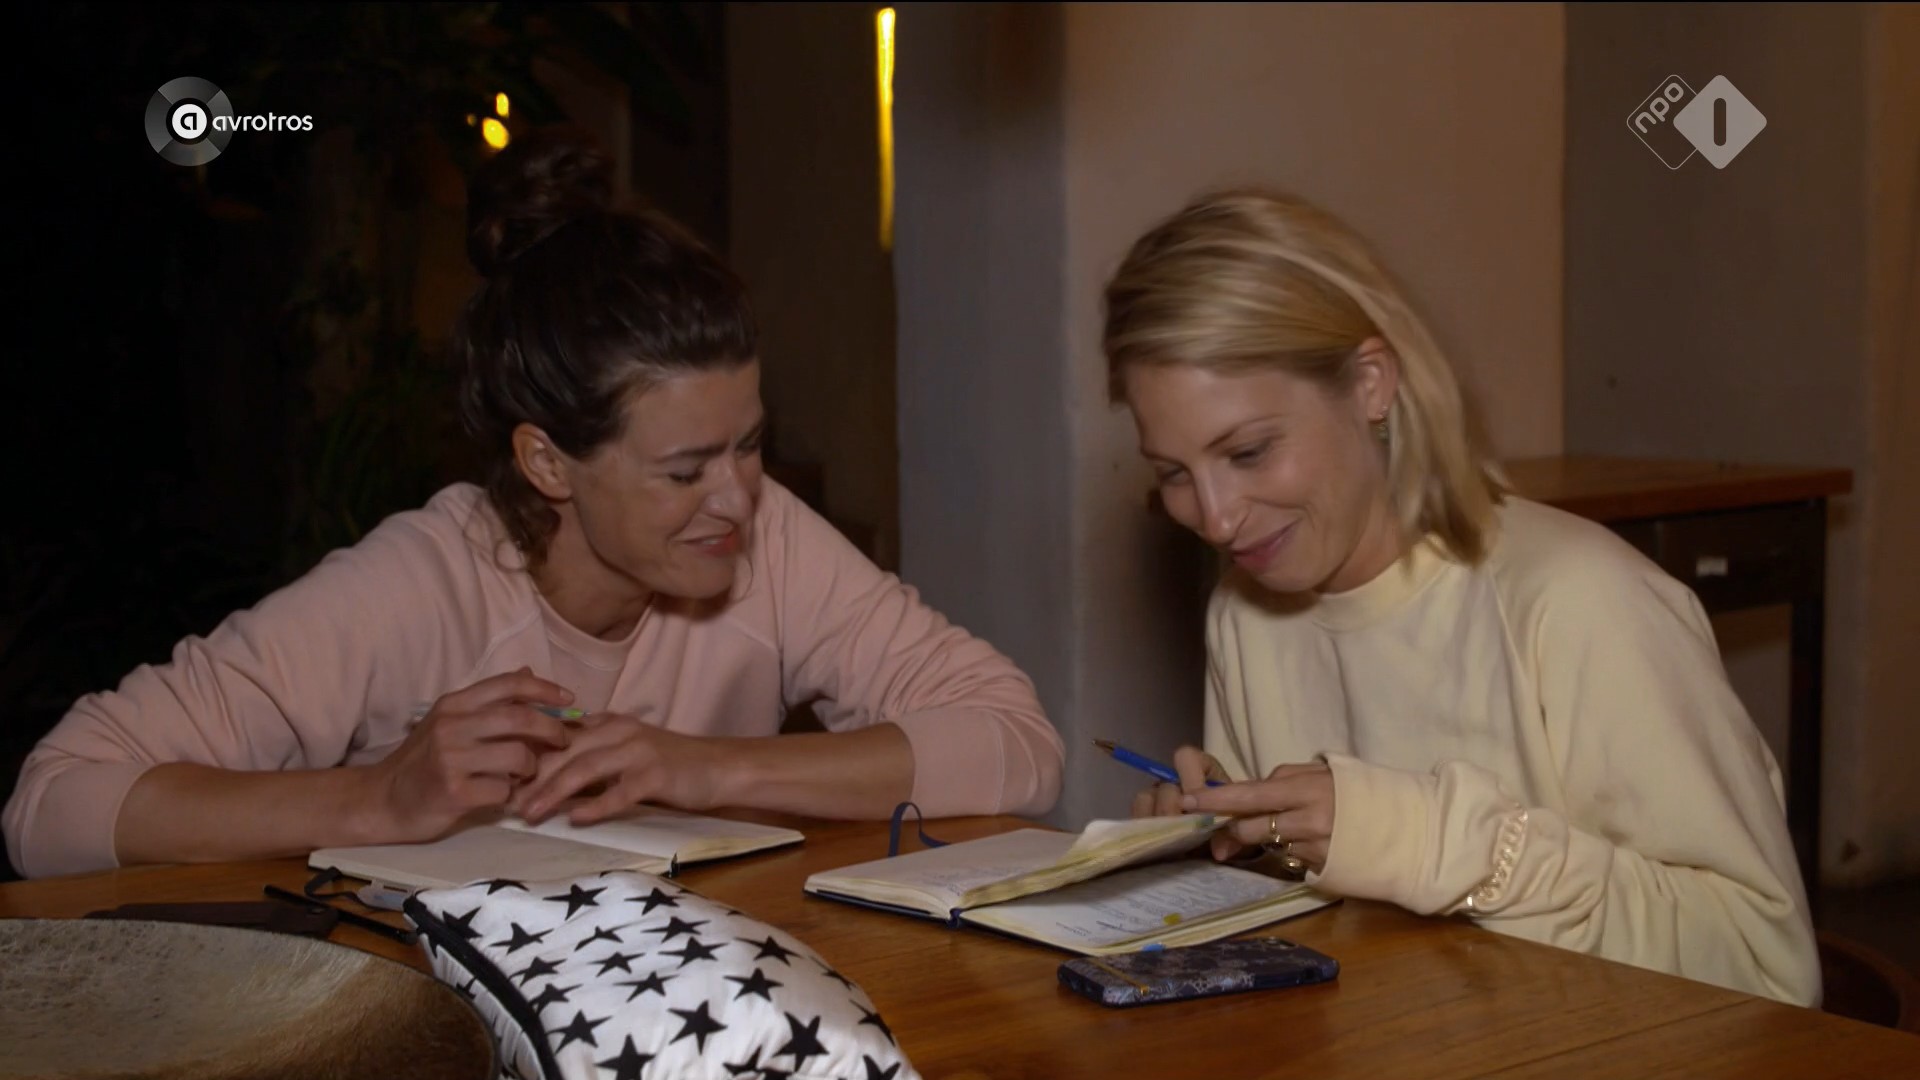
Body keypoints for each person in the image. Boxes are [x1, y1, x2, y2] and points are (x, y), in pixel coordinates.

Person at [3, 129, 1063, 880]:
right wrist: (378, 799)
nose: (737, 498)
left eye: (750, 445)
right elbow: (52, 803)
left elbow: (1017, 742)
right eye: (683, 469)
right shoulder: (417, 584)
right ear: (548, 463)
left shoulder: (767, 537)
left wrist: (704, 767)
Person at [1107, 189, 1820, 1007]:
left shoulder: (1581, 600)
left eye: (1249, 452)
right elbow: (1333, 950)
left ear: (1370, 384)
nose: (1216, 519)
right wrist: (1220, 850)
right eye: (1173, 473)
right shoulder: (1244, 615)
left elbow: (1765, 966)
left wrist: (1425, 839)